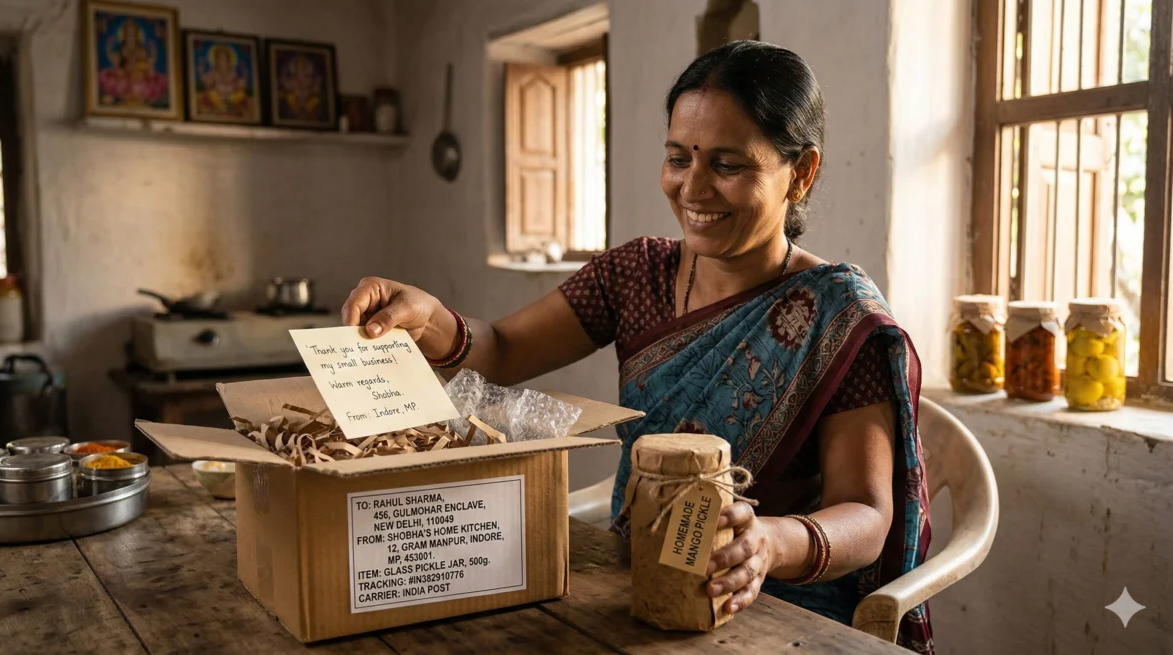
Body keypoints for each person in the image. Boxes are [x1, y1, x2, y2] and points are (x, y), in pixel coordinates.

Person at [341, 41, 933, 654]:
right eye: (679, 158)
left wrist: (766, 544)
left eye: (727, 165)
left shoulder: (837, 317)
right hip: (637, 577)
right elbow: (505, 349)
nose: (693, 189)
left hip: (765, 601)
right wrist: (428, 317)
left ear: (801, 172)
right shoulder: (636, 275)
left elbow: (865, 513)